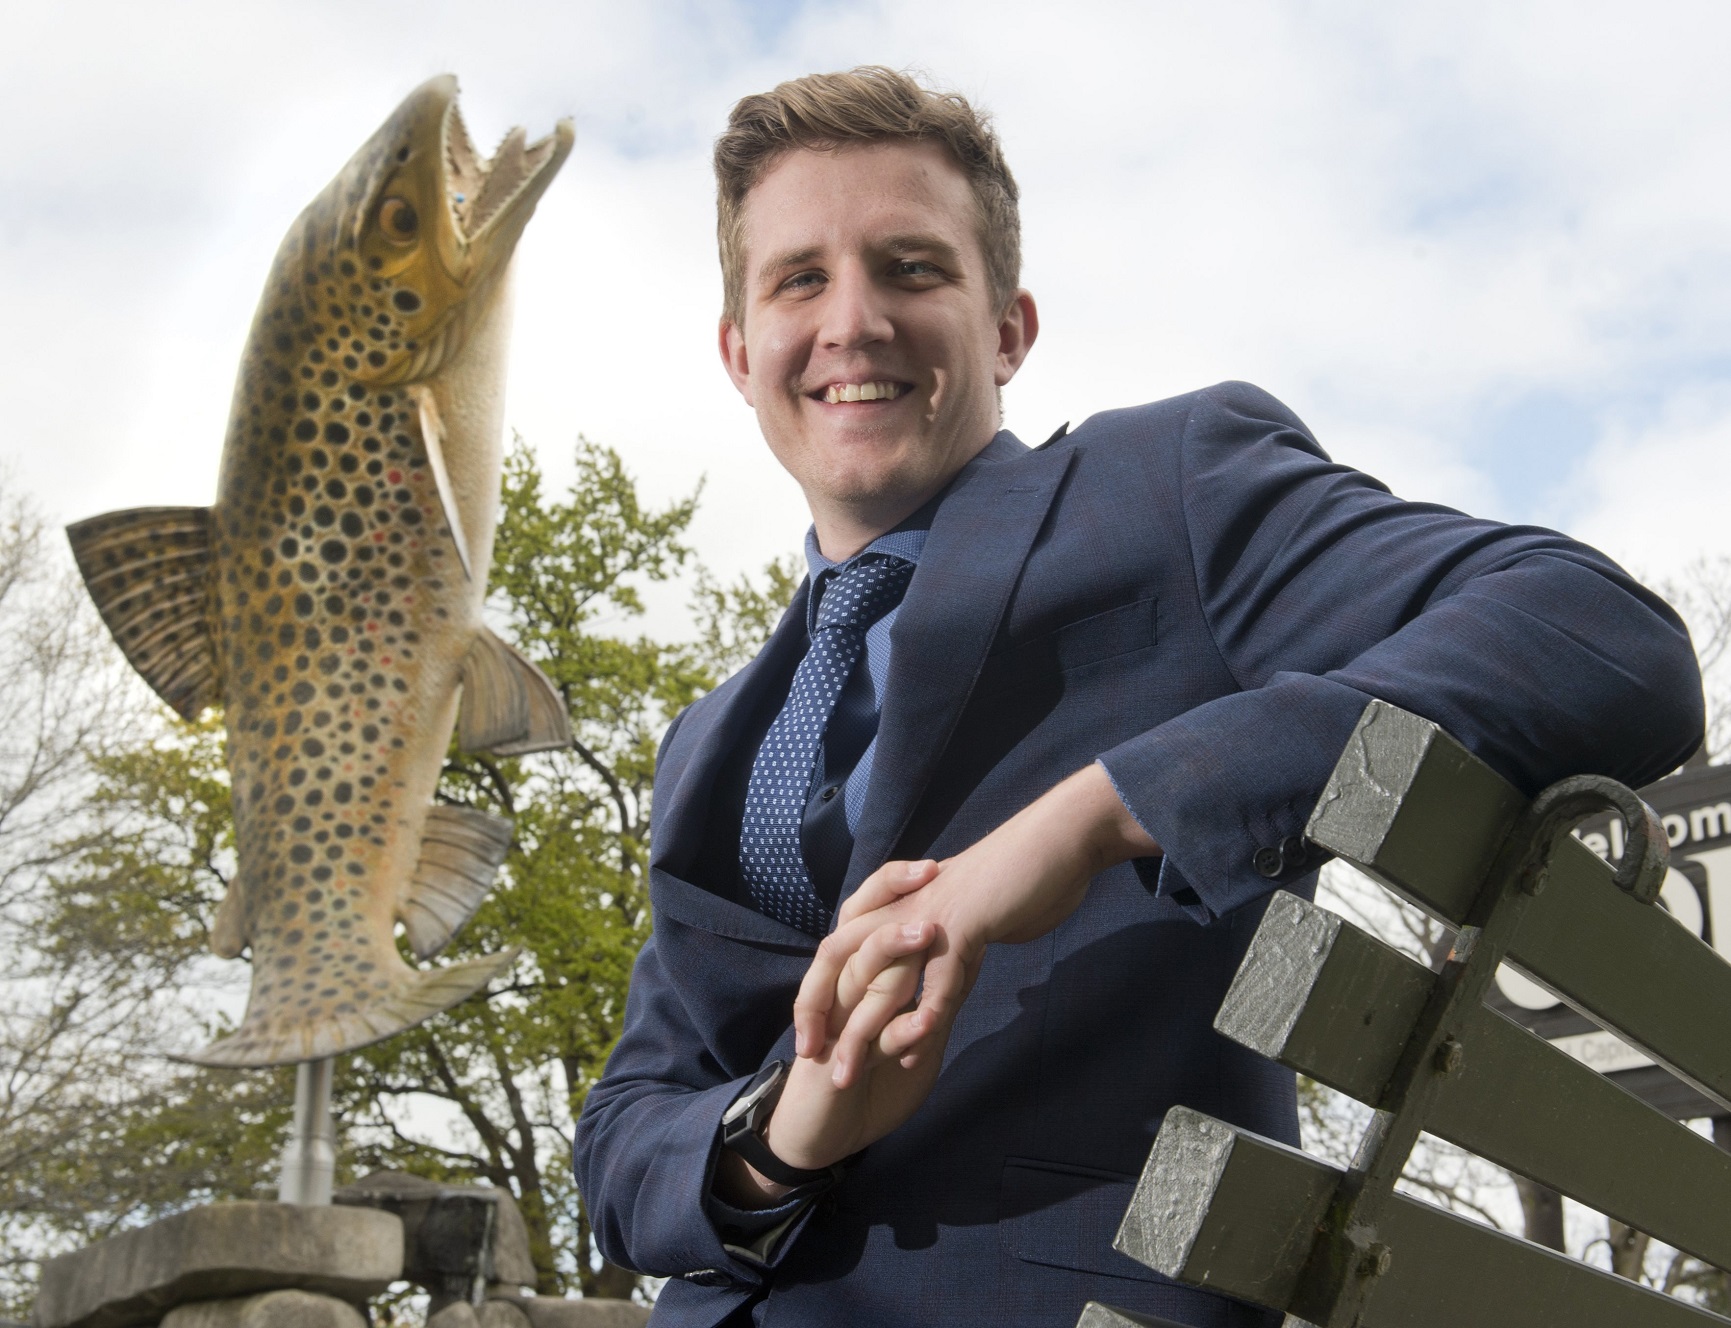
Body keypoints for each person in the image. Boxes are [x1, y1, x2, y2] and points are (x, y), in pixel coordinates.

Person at [572, 67, 1703, 1327]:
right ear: (741, 353)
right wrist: (780, 1132)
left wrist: (1100, 809)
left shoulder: (1165, 487)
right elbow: (624, 1134)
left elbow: (1604, 642)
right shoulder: (706, 742)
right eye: (799, 280)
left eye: (912, 267)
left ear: (1008, 328)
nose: (853, 320)